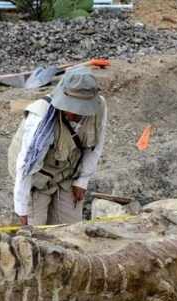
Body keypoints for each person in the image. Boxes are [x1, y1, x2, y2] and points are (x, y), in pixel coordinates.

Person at [11, 67, 107, 225]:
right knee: (36, 235)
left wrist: (82, 181)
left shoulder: (100, 107)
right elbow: (26, 167)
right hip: (35, 180)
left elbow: (95, 147)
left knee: (72, 232)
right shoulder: (40, 118)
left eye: (83, 110)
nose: (78, 115)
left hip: (67, 174)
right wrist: (21, 211)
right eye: (73, 109)